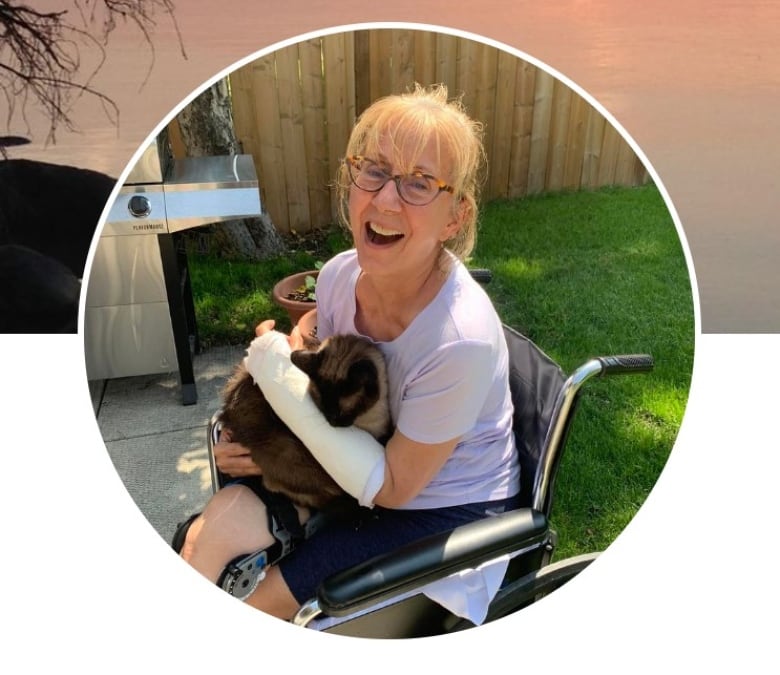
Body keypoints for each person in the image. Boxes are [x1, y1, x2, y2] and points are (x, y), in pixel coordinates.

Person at [179, 83, 521, 621]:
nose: (386, 198)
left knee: (264, 606)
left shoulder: (459, 339)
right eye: (376, 170)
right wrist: (262, 424)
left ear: (455, 217)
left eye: (419, 183)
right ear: (351, 179)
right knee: (202, 547)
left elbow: (392, 487)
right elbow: (319, 394)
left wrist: (281, 443)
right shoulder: (339, 277)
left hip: (436, 512)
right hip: (351, 475)